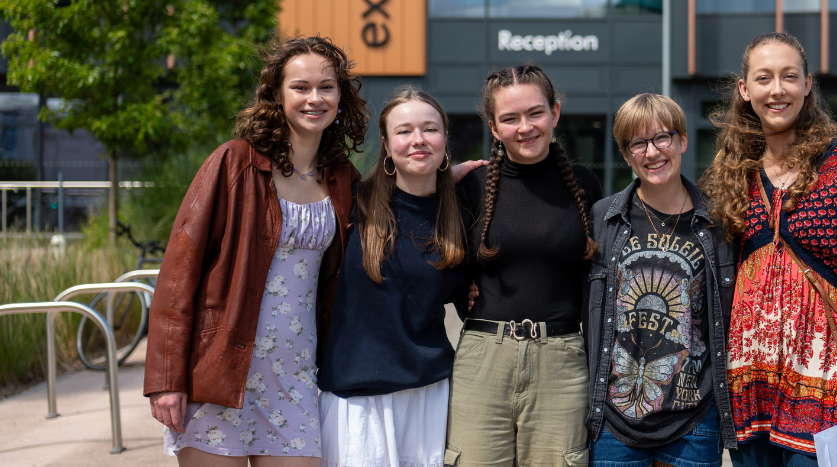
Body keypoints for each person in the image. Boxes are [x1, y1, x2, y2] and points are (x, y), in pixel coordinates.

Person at [143, 36, 369, 466]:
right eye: (300, 87)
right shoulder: (235, 163)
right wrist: (165, 379)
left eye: (327, 86)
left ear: (341, 97)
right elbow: (178, 275)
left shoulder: (343, 179)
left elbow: (386, 228)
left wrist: (444, 185)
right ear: (277, 95)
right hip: (218, 375)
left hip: (296, 380)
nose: (314, 98)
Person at [699, 32, 837, 467]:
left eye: (789, 76)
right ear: (745, 89)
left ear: (807, 84)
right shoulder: (733, 169)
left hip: (827, 382)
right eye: (764, 78)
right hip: (747, 383)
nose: (777, 89)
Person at [316, 85, 479, 467]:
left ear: (445, 141)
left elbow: (475, 299)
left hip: (429, 397)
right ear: (387, 147)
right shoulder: (350, 204)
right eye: (404, 131)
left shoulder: (460, 219)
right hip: (355, 400)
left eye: (430, 129)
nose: (418, 140)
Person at [447, 63, 602, 466]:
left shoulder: (585, 185)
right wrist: (441, 180)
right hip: (484, 358)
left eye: (535, 113)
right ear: (494, 128)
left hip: (562, 358)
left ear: (555, 112)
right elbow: (438, 257)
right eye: (510, 119)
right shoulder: (472, 186)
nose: (525, 127)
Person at [584, 93, 738, 467]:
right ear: (626, 154)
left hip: (694, 418)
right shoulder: (604, 218)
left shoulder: (717, 222)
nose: (652, 152)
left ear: (682, 140)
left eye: (661, 138)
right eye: (638, 142)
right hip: (614, 422)